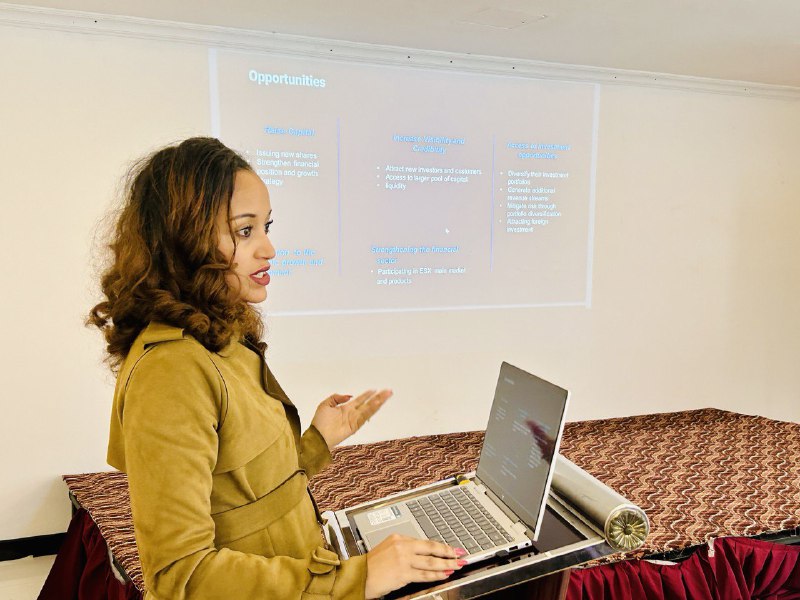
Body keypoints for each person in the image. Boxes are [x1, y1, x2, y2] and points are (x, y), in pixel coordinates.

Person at [88, 137, 466, 599]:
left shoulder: (216, 335)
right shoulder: (170, 371)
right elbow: (180, 578)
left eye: (265, 227)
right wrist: (359, 578)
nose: (268, 249)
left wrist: (318, 442)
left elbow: (240, 495)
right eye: (245, 231)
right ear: (183, 240)